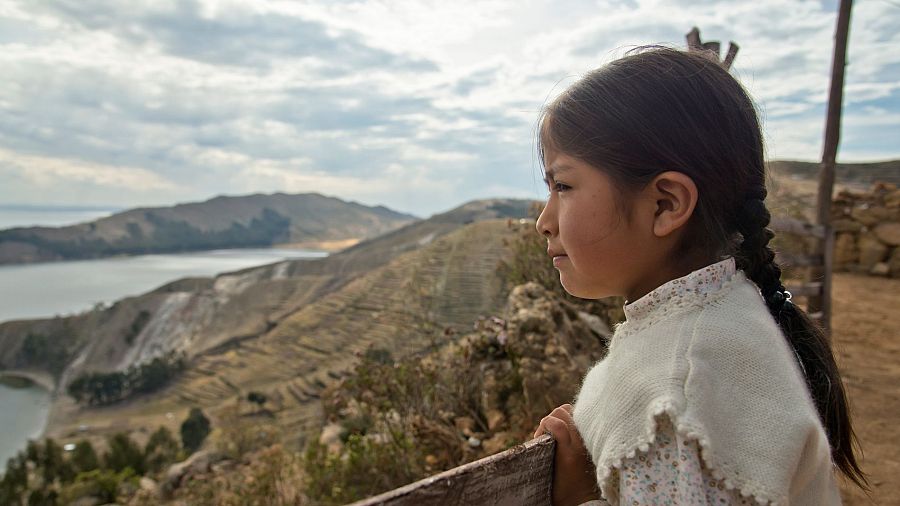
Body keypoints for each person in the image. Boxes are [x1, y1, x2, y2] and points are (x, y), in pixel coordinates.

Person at [530, 47, 868, 505]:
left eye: (563, 186)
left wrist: (575, 500)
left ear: (666, 204)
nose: (543, 221)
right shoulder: (729, 317)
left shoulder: (673, 407)